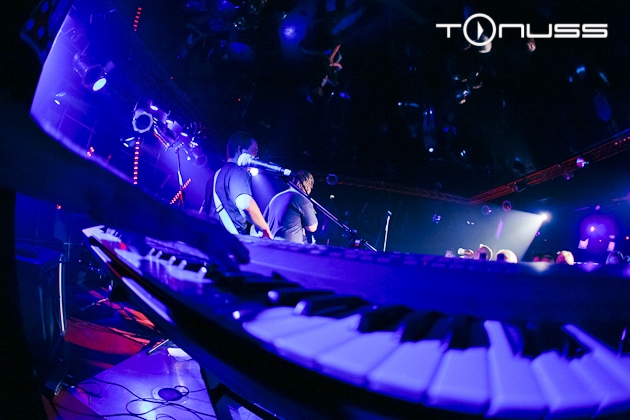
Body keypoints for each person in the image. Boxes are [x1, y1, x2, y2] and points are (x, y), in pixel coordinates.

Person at [204, 132, 272, 238]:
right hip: (229, 240)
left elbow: (204, 211)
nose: (256, 157)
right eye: (254, 150)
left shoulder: (212, 178)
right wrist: (265, 230)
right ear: (240, 150)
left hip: (211, 238)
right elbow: (245, 204)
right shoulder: (237, 171)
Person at [264, 171, 318, 244]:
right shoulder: (302, 199)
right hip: (290, 246)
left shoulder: (276, 197)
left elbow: (263, 221)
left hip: (272, 244)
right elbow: (312, 227)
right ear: (309, 186)